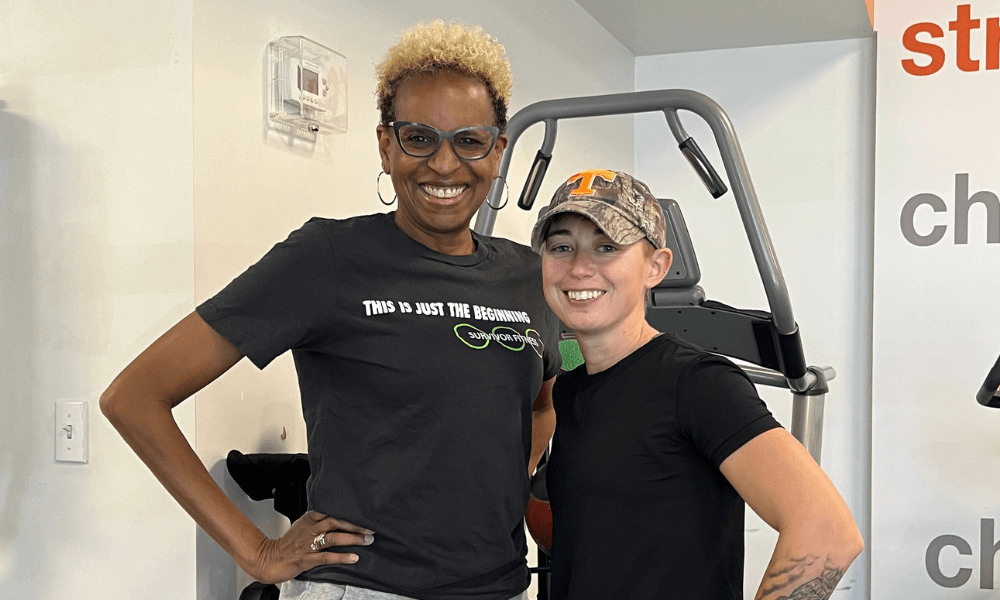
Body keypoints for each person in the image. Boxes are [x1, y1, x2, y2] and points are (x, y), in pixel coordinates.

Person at [100, 21, 562, 600]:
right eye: (419, 137)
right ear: (386, 145)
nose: (445, 165)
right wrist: (258, 551)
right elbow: (135, 397)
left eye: (469, 140)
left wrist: (503, 482)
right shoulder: (327, 258)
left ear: (496, 153)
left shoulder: (529, 277)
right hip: (365, 590)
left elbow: (541, 404)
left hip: (500, 588)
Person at [530, 169, 863, 600]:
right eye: (561, 247)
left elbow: (828, 533)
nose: (578, 267)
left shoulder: (697, 384)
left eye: (606, 247)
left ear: (656, 267)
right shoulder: (569, 392)